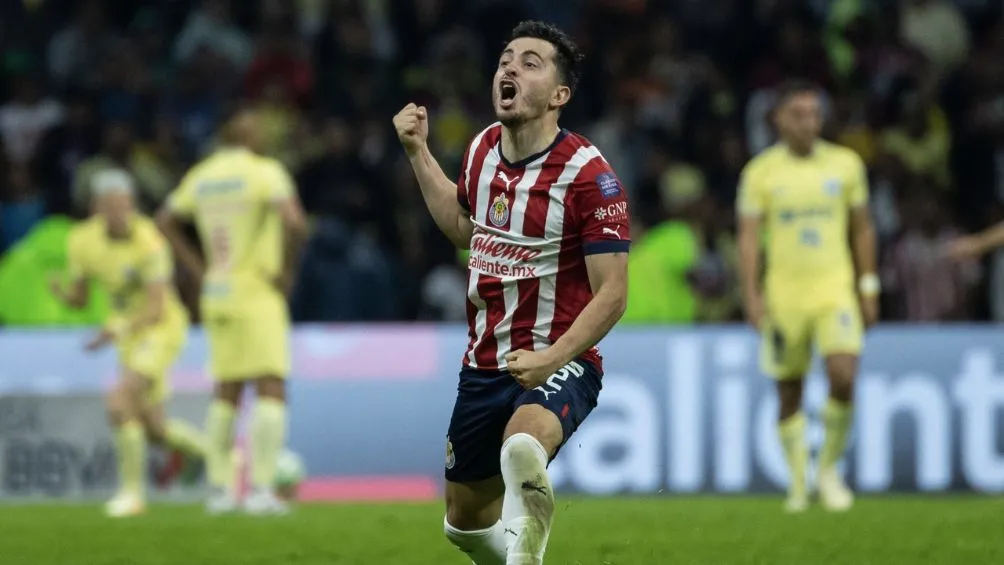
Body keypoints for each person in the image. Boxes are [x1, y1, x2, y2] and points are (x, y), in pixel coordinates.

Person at [393, 20, 630, 565]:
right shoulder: (481, 150)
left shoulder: (589, 176)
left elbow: (613, 294)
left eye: (530, 62)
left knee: (522, 446)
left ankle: (532, 548)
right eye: (506, 59)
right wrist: (416, 151)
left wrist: (552, 358)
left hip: (561, 357)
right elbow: (462, 230)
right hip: (483, 364)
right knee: (463, 526)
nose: (510, 68)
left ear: (559, 95)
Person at [736, 80, 879, 513]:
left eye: (814, 114)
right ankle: (799, 481)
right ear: (778, 119)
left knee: (843, 376)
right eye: (798, 114)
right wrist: (753, 297)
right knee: (789, 392)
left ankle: (829, 469)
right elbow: (747, 241)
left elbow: (862, 228)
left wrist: (868, 284)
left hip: (835, 292)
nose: (808, 123)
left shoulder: (846, 164)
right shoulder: (760, 172)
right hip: (784, 297)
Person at [155, 109, 307, 515]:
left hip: (217, 292)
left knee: (226, 392)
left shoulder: (203, 175)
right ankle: (260, 491)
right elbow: (295, 223)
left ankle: (220, 491)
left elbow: (165, 220)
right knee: (270, 387)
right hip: (257, 291)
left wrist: (197, 267)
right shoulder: (266, 172)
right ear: (252, 137)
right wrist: (286, 273)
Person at [50, 168, 206, 518]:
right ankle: (223, 457)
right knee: (155, 428)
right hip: (128, 336)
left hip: (162, 329)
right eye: (111, 206)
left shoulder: (150, 241)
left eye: (125, 205)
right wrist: (63, 295)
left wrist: (114, 330)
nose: (120, 213)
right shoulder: (81, 240)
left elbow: (155, 306)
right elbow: (80, 296)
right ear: (96, 207)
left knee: (119, 398)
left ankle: (131, 496)